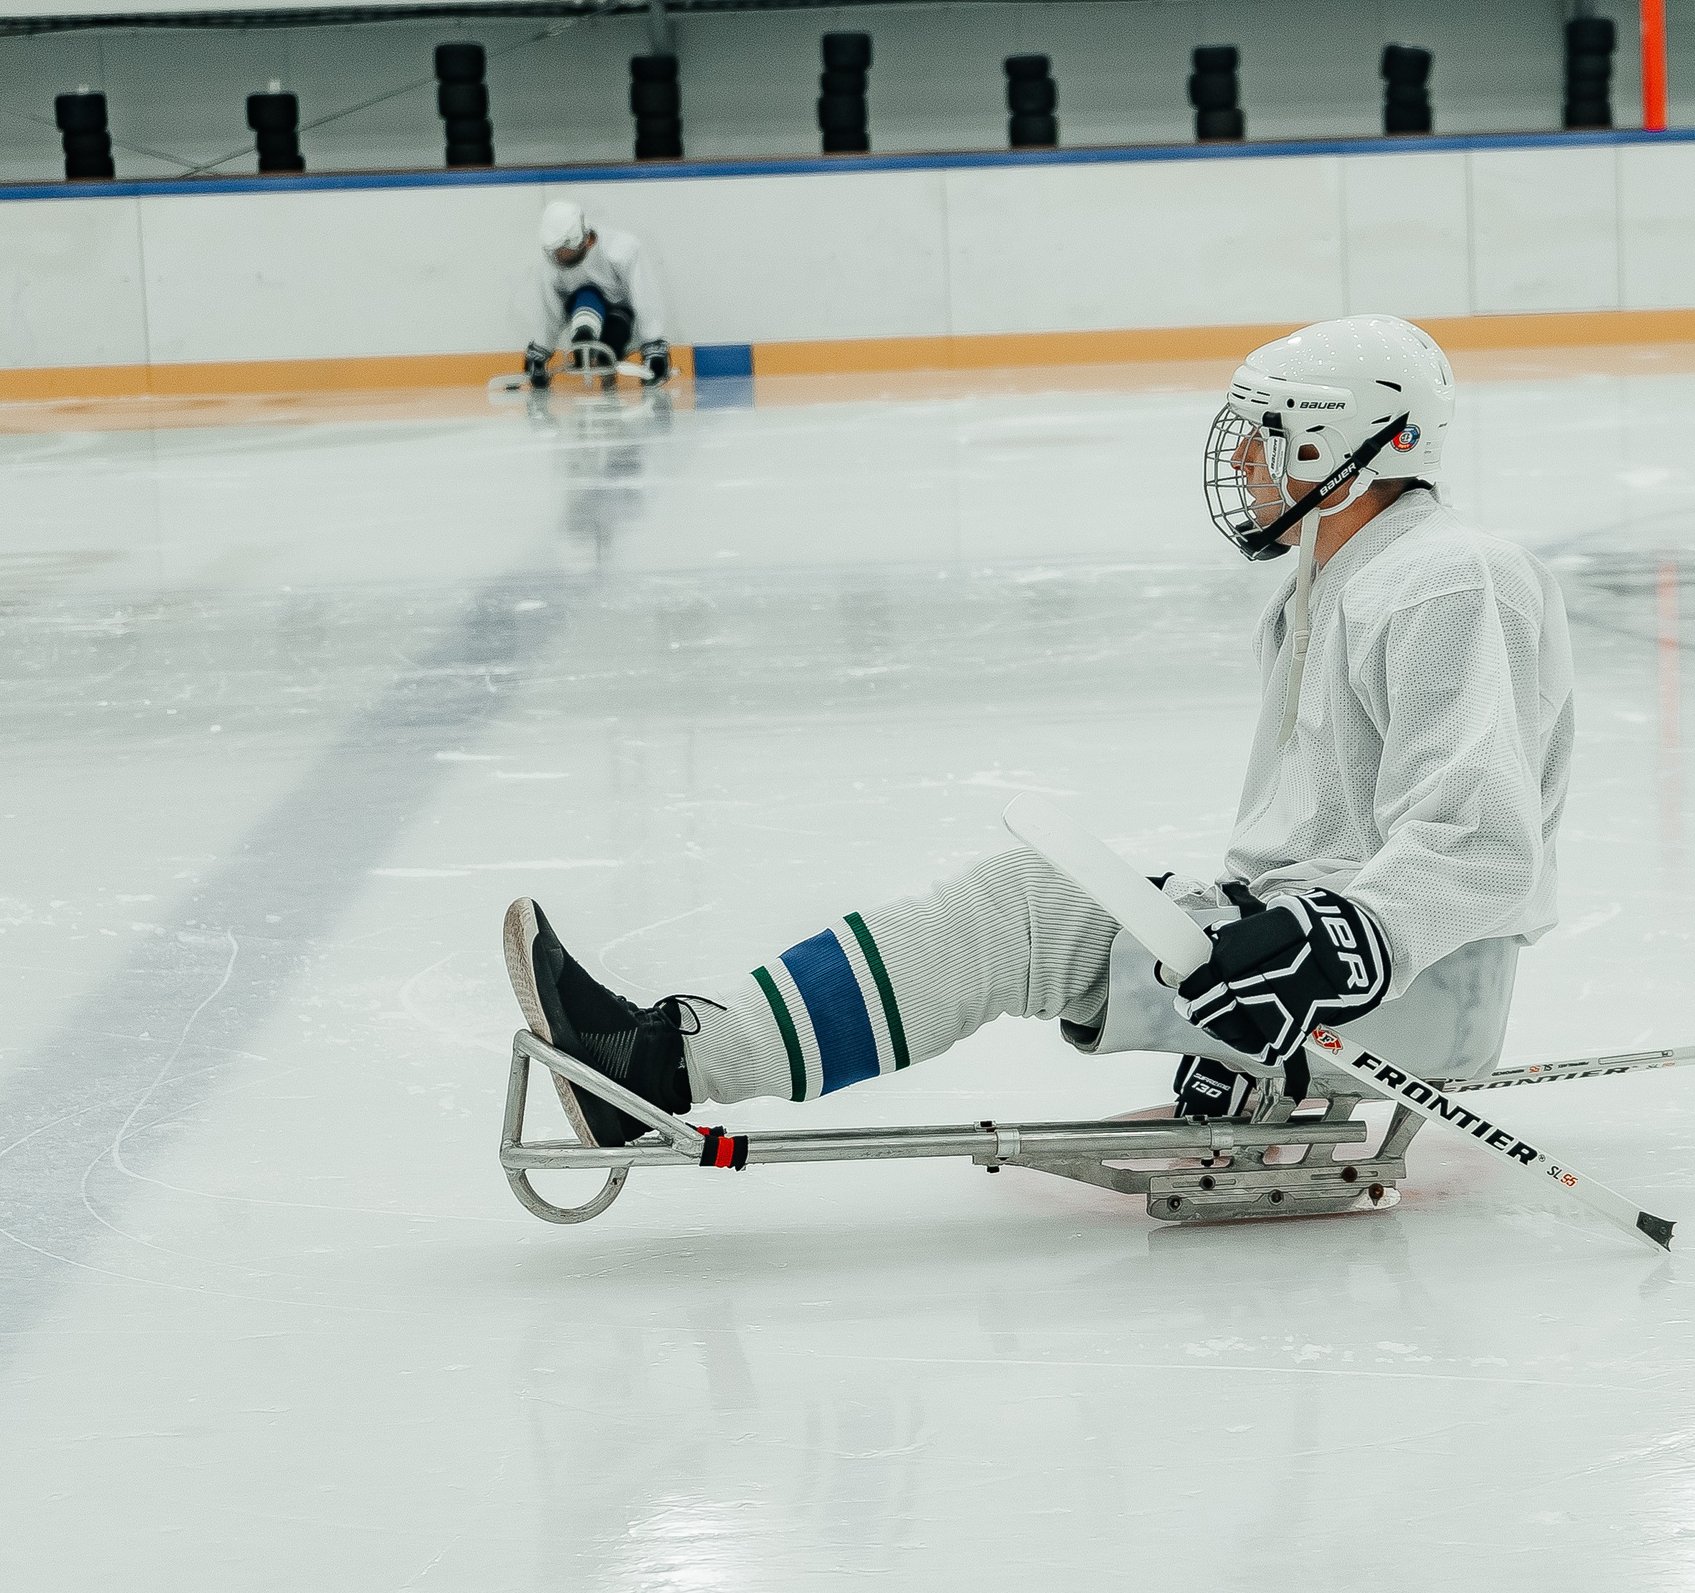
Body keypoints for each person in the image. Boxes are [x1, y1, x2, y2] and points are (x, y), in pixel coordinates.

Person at [502, 313, 1575, 1148]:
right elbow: (1315, 834)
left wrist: (1314, 955)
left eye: (1270, 434)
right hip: (1331, 967)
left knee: (1023, 912)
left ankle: (660, 1065)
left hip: (1420, 992)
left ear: (1346, 445)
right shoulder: (1334, 580)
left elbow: (1479, 844)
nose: (1244, 460)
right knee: (1035, 896)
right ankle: (668, 1054)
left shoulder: (1444, 579)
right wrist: (1254, 957)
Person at [525, 200, 672, 389]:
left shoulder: (622, 250)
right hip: (579, 313)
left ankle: (605, 355)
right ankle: (584, 336)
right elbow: (550, 309)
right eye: (554, 252)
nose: (559, 257)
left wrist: (653, 344)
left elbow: (644, 297)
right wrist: (541, 350)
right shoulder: (550, 268)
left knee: (611, 338)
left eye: (563, 251)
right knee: (587, 297)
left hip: (620, 316)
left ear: (581, 239)